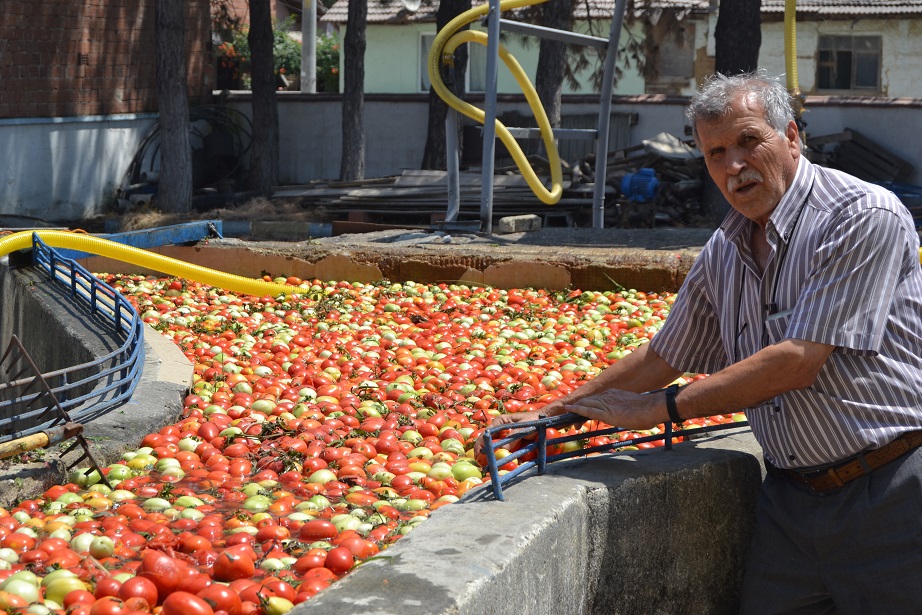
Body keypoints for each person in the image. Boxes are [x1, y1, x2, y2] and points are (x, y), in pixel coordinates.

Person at [482, 71, 922, 614]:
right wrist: (551, 416)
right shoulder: (725, 248)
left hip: (891, 492)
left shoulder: (860, 216)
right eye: (716, 153)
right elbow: (665, 354)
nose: (733, 166)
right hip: (790, 503)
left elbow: (797, 362)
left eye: (748, 141)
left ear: (790, 136)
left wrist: (660, 409)